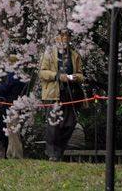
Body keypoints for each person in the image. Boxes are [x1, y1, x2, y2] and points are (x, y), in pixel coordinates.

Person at [40, 28, 84, 161]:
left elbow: (81, 74)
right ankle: (52, 154)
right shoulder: (49, 54)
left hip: (71, 93)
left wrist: (76, 77)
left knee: (70, 123)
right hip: (54, 93)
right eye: (62, 35)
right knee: (53, 125)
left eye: (67, 35)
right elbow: (42, 73)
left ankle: (59, 152)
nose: (65, 38)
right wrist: (58, 76)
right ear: (56, 37)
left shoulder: (75, 55)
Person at [0, 66, 28, 158]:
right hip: (18, 103)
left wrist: (0, 86)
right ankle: (11, 152)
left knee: (12, 130)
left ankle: (16, 153)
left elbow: (4, 89)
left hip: (11, 104)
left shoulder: (13, 75)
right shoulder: (23, 75)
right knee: (13, 130)